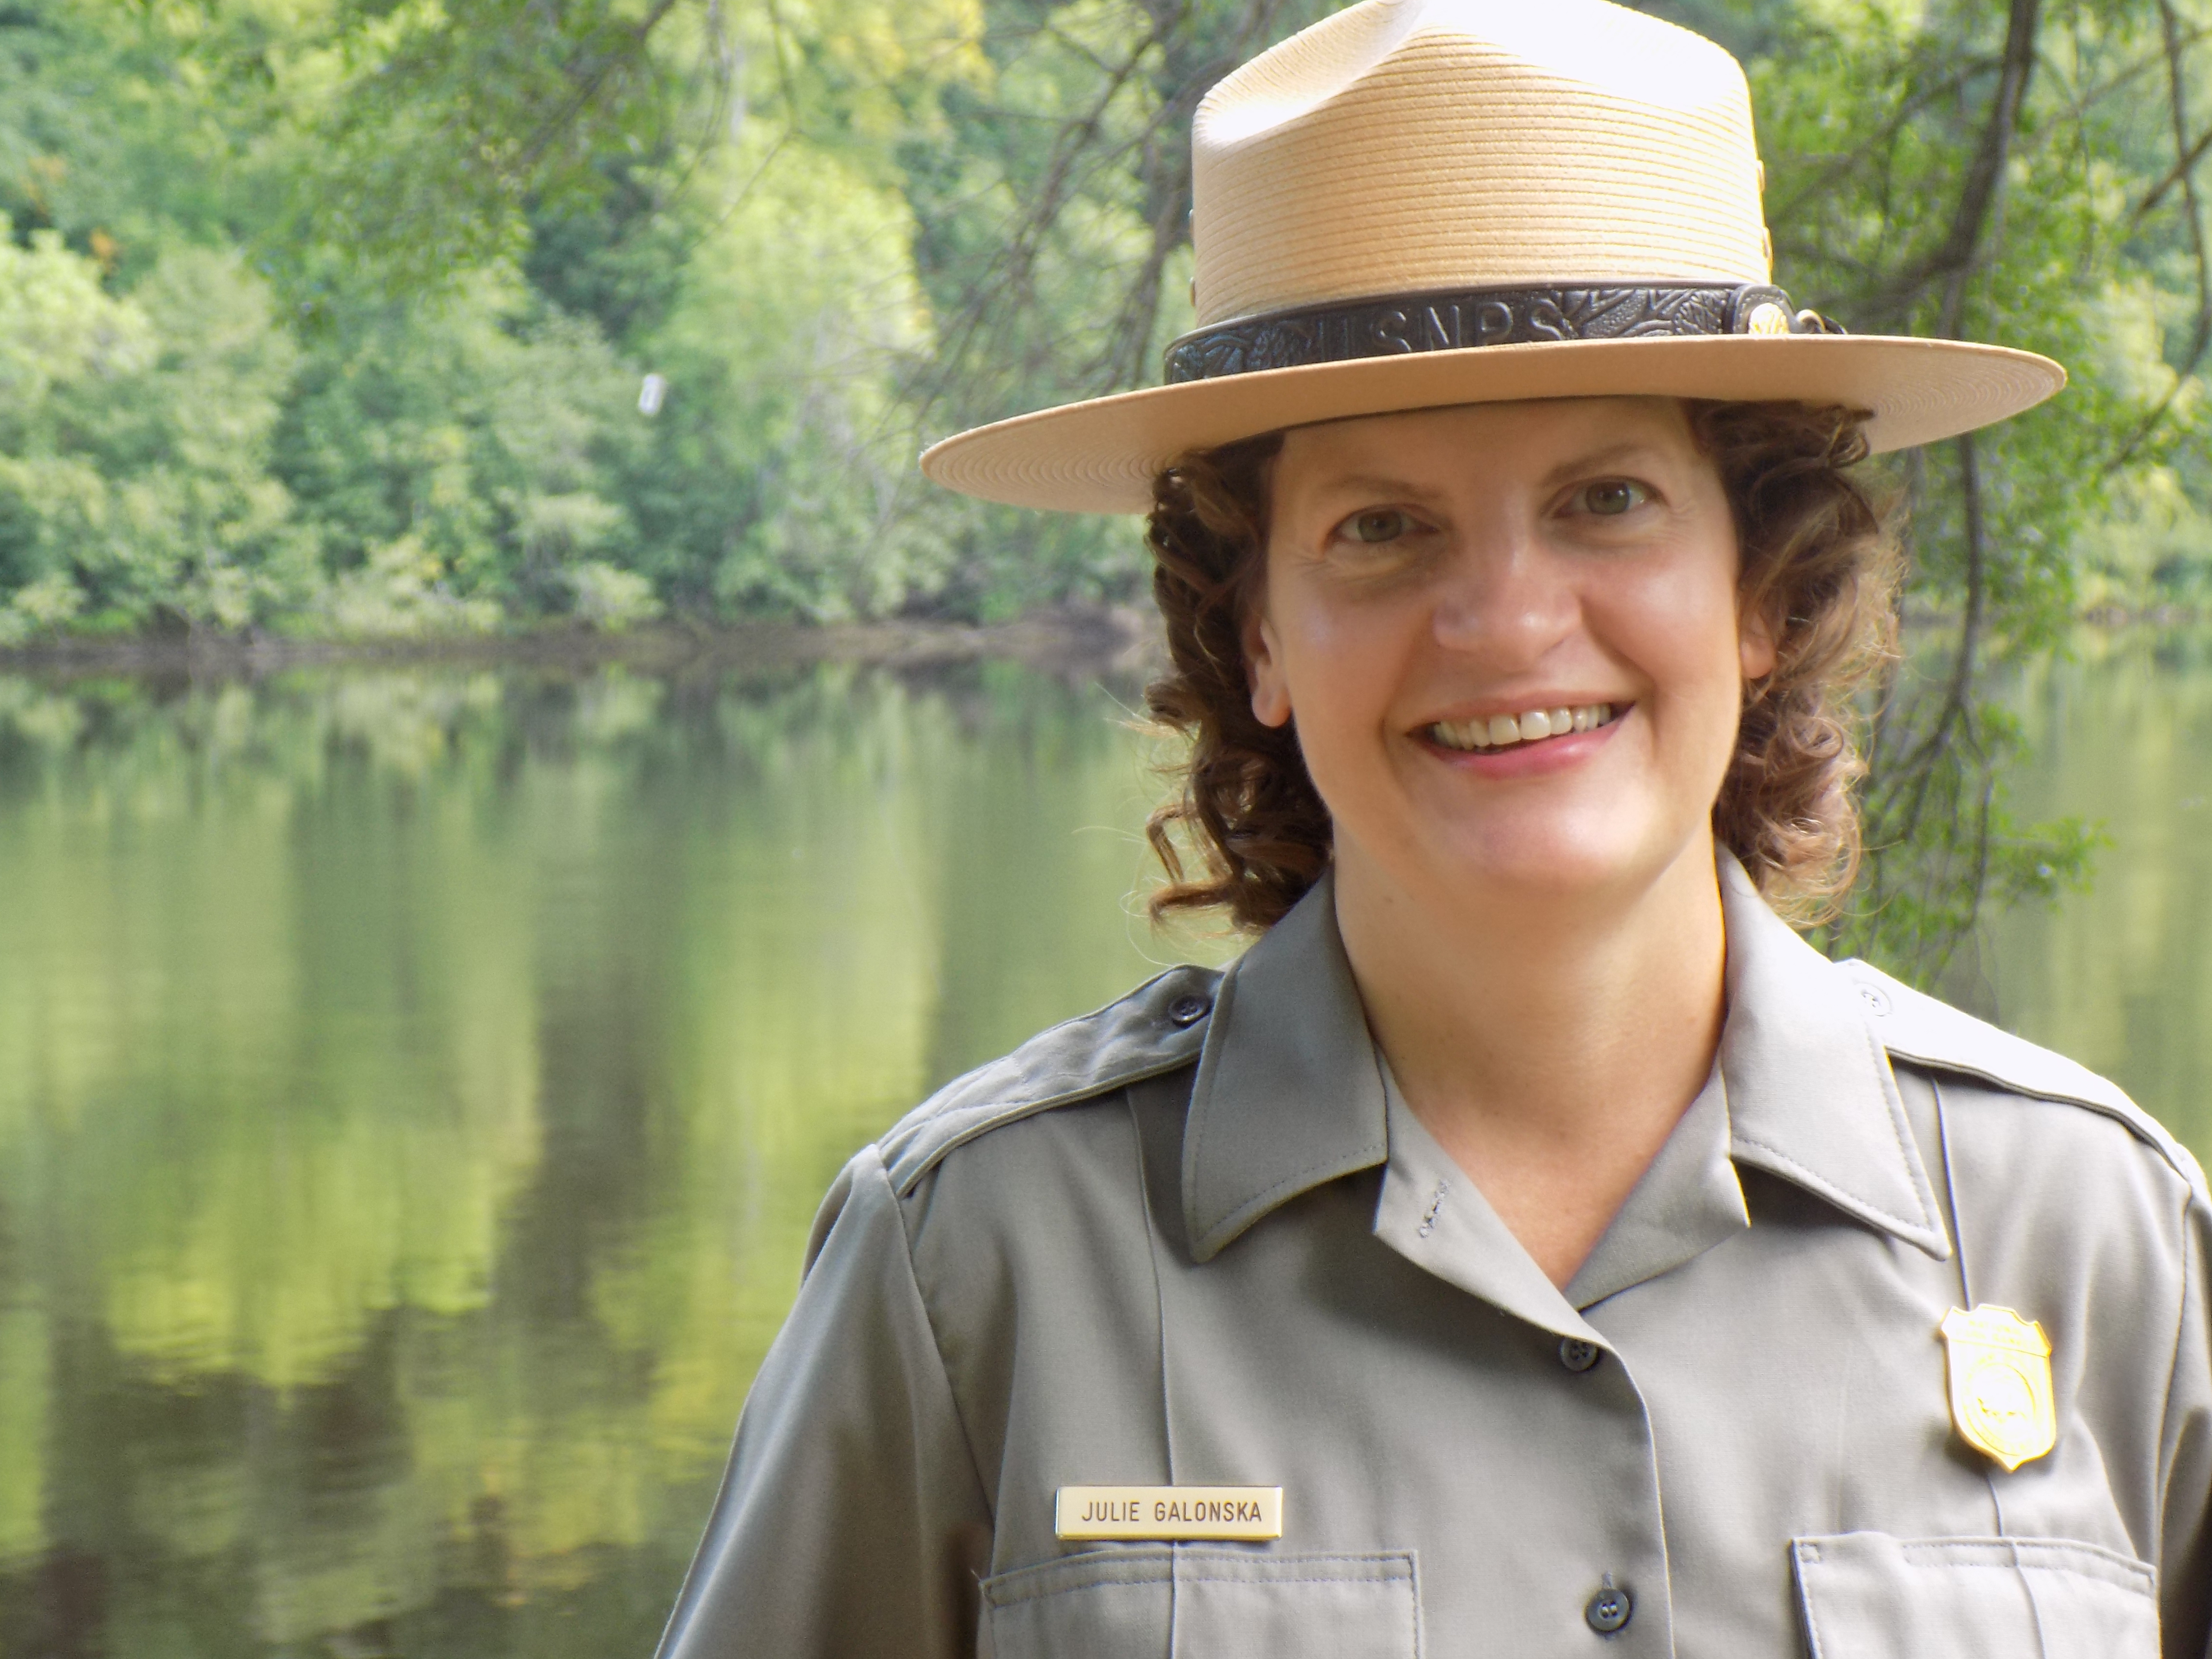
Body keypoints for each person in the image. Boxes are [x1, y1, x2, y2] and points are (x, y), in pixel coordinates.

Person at [654, 1, 2212, 1654]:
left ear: (1758, 585)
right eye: (1382, 527)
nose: (1504, 620)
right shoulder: (978, 1267)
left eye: (1605, 499)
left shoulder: (2095, 1236)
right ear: (1253, 629)